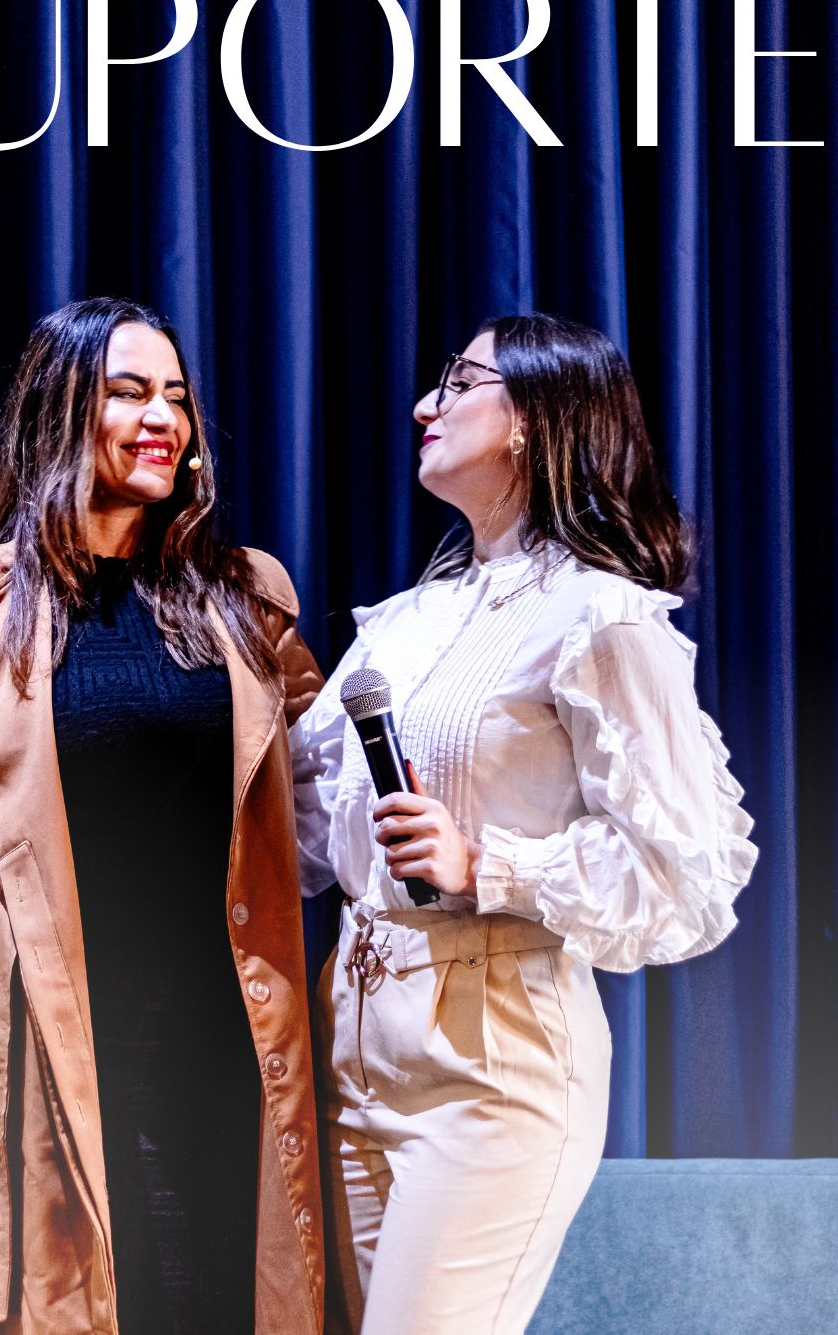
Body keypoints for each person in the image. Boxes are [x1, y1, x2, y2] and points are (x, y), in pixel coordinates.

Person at [290, 313, 758, 1335]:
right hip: (353, 1050)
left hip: (494, 1068)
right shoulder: (405, 622)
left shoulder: (601, 617)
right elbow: (304, 828)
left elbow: (691, 875)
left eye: (460, 383)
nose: (428, 403)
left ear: (535, 419)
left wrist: (485, 865)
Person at [0, 297, 324, 1334]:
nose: (163, 417)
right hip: (49, 1039)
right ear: (61, 409)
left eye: (176, 396)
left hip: (228, 1041)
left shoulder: (246, 602)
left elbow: (324, 790)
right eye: (128, 393)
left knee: (223, 1299)